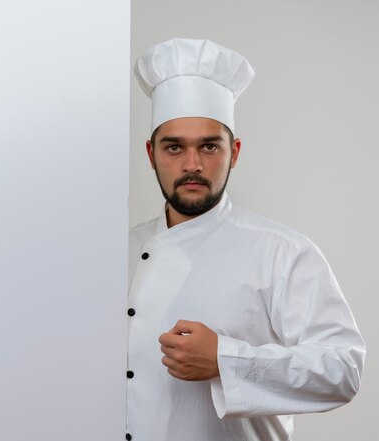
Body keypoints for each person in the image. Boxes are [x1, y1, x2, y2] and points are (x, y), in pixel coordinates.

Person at [126, 38, 365, 441]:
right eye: (173, 147)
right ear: (151, 154)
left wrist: (225, 360)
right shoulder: (119, 251)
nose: (192, 165)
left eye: (209, 146)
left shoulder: (282, 252)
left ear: (234, 152)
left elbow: (343, 370)